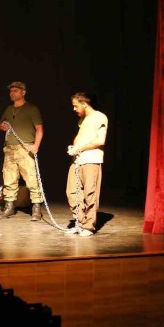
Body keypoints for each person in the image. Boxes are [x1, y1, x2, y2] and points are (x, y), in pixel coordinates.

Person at [0, 81, 44, 221]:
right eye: (11, 91)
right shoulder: (9, 109)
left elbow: (39, 129)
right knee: (9, 179)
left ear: (23, 92)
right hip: (9, 149)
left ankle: (36, 208)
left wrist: (36, 146)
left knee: (31, 178)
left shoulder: (31, 109)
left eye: (15, 91)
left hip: (25, 149)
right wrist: (1, 126)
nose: (12, 93)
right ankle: (9, 207)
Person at [65, 92, 108, 237]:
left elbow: (100, 140)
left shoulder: (99, 117)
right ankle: (79, 223)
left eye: (76, 106)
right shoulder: (82, 120)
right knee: (72, 192)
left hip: (91, 160)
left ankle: (88, 227)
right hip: (77, 160)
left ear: (84, 104)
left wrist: (79, 148)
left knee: (90, 194)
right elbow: (82, 137)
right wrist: (74, 147)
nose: (74, 109)